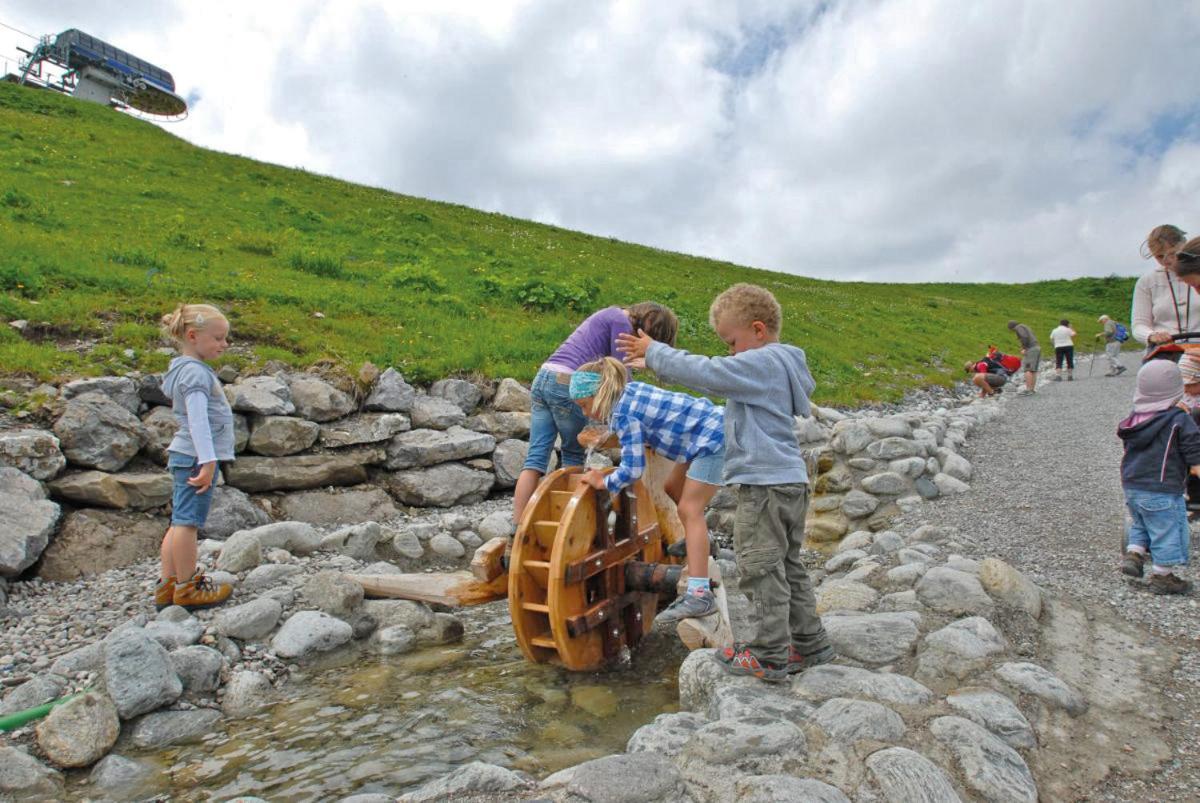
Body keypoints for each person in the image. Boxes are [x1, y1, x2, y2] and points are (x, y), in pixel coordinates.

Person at [618, 283, 833, 682]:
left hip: (764, 486)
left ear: (758, 330)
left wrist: (656, 352)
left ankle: (769, 653)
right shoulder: (777, 365)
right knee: (787, 564)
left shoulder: (763, 363)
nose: (730, 352)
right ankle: (810, 643)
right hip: (788, 482)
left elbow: (712, 373)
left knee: (759, 567)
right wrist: (660, 363)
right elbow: (715, 378)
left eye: (732, 342)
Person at [568, 356, 725, 623]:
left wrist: (603, 483)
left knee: (690, 509)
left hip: (714, 438)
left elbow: (632, 470)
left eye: (584, 406)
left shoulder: (624, 414)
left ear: (600, 393)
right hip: (702, 432)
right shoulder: (629, 394)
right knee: (672, 487)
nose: (585, 414)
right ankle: (701, 542)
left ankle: (700, 596)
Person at [512, 303, 678, 526]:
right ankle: (568, 526)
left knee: (534, 460)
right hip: (569, 385)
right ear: (648, 329)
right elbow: (621, 377)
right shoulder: (621, 322)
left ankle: (517, 529)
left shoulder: (608, 314)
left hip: (544, 378)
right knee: (573, 456)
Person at [156, 304, 235, 610]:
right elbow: (198, 420)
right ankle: (188, 587)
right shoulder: (195, 374)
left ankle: (169, 585)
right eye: (218, 338)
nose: (224, 344)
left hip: (185, 453)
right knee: (188, 524)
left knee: (178, 522)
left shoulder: (181, 368)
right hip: (194, 456)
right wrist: (208, 460)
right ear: (192, 336)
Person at [1117, 360, 1200, 595]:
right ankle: (1163, 577)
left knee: (1142, 521)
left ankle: (1134, 554)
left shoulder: (1136, 418)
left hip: (1133, 484)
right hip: (1162, 487)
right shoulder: (1179, 419)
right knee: (1167, 529)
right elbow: (1193, 450)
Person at [1131, 224, 1192, 347]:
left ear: (1184, 246)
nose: (1166, 260)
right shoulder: (1146, 281)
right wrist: (1151, 335)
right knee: (1156, 367)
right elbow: (1139, 325)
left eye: (1173, 253)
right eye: (1159, 256)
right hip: (1165, 351)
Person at [1007, 320, 1040, 395]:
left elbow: (1024, 336)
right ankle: (1032, 389)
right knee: (1033, 370)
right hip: (1036, 348)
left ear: (1012, 327)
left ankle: (1028, 390)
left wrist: (1024, 348)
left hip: (1031, 349)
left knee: (1027, 369)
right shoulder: (1025, 326)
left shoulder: (1019, 327)